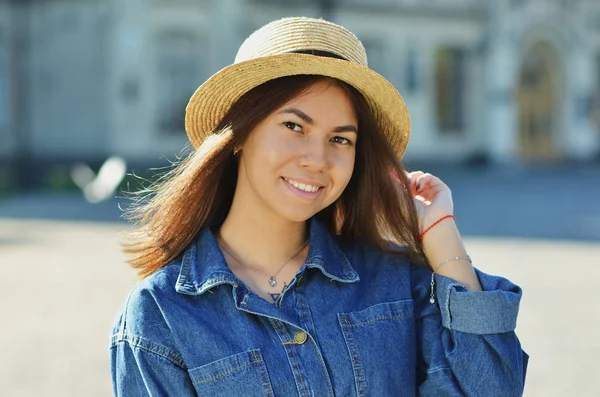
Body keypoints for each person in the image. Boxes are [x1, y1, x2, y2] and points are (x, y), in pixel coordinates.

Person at [110, 17, 528, 396]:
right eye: (294, 126)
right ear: (238, 134)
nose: (317, 159)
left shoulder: (394, 281)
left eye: (340, 139)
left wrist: (443, 240)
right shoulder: (161, 314)